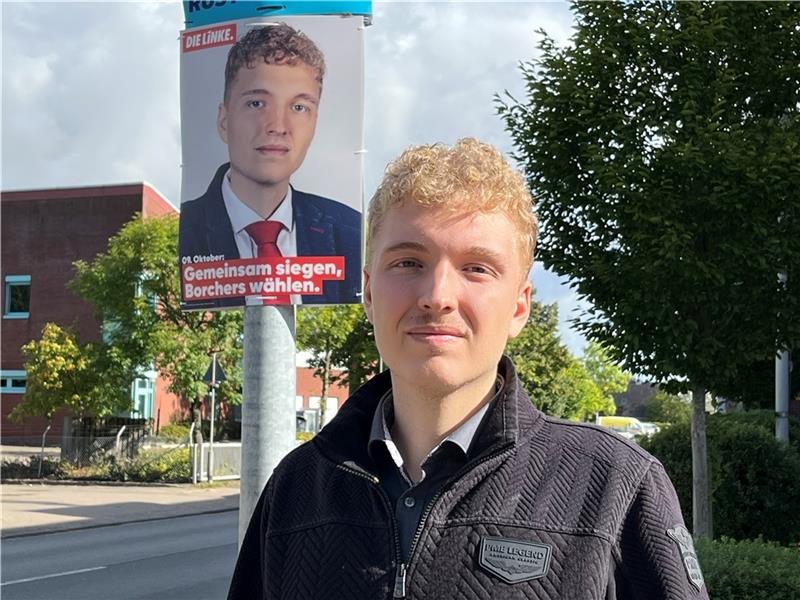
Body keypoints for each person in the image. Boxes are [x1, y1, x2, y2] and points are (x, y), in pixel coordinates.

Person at [227, 138, 708, 599]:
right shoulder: (294, 489)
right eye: (409, 262)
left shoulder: (614, 486)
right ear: (370, 294)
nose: (436, 296)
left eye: (476, 268)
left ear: (520, 307)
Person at [179, 23, 361, 306]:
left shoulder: (349, 230)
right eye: (256, 104)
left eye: (299, 107)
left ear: (315, 122)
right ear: (224, 120)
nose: (278, 126)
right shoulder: (188, 232)